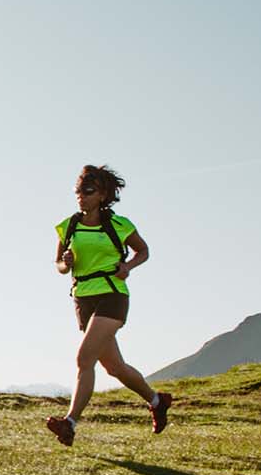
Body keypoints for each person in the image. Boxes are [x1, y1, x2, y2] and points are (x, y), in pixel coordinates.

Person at [45, 164, 171, 445]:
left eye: (87, 192)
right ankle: (156, 401)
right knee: (114, 367)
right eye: (78, 192)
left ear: (102, 195)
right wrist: (65, 264)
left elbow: (144, 251)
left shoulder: (119, 224)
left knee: (83, 358)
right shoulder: (69, 226)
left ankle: (70, 423)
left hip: (112, 294)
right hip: (83, 298)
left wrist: (128, 266)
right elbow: (58, 266)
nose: (81, 197)